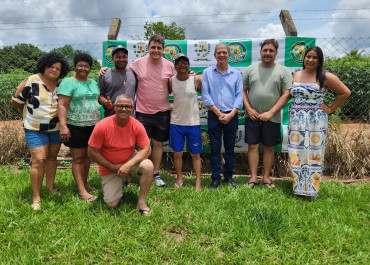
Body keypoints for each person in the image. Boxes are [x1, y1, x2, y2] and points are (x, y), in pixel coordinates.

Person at [100, 35, 175, 187]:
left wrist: (192, 75)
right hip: (141, 112)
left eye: (159, 48)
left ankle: (155, 173)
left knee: (158, 144)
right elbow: (121, 71)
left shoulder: (169, 66)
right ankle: (142, 174)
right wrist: (105, 69)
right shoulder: (137, 64)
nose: (155, 50)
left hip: (162, 111)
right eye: (153, 47)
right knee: (143, 146)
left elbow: (178, 80)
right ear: (148, 48)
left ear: (163, 50)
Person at [288, 46, 350, 198]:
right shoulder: (296, 75)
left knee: (314, 153)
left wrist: (330, 109)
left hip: (316, 120)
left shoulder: (326, 77)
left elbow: (345, 92)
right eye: (308, 56)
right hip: (296, 120)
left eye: (315, 57)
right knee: (296, 152)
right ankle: (298, 188)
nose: (310, 60)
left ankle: (312, 190)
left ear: (320, 60)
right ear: (304, 58)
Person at [11, 52, 69, 210]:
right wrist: (29, 114)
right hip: (34, 128)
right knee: (39, 160)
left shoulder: (62, 85)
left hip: (56, 128)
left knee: (52, 158)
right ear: (44, 65)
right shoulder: (32, 80)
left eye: (58, 68)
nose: (54, 70)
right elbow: (16, 101)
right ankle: (36, 196)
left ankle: (50, 188)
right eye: (51, 66)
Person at [88, 94, 153, 215]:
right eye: (120, 106)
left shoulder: (137, 125)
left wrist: (128, 165)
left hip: (129, 161)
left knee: (148, 166)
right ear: (114, 107)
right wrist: (112, 167)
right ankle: (117, 184)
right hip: (109, 167)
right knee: (112, 205)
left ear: (132, 108)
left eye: (127, 106)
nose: (124, 109)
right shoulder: (102, 126)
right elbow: (92, 152)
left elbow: (147, 150)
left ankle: (141, 202)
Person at [242, 39, 292, 189]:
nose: (268, 53)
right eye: (265, 50)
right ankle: (253, 178)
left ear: (276, 53)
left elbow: (286, 95)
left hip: (273, 117)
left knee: (269, 148)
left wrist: (270, 113)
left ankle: (266, 178)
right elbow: (243, 91)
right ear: (260, 52)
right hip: (252, 116)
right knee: (252, 146)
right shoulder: (250, 69)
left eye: (271, 51)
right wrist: (249, 110)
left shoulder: (284, 71)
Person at [57, 53, 101, 202]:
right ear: (75, 67)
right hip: (75, 125)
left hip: (93, 126)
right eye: (80, 65)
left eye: (86, 66)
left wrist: (105, 101)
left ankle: (85, 183)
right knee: (78, 158)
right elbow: (62, 105)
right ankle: (81, 191)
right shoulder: (68, 82)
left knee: (88, 157)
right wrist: (63, 126)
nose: (83, 68)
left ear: (90, 68)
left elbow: (96, 97)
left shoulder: (92, 82)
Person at [202, 43, 243, 189]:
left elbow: (239, 96)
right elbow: (205, 96)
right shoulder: (207, 73)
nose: (221, 55)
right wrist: (219, 114)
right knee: (214, 148)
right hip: (214, 115)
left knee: (230, 148)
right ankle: (215, 179)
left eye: (224, 52)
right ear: (214, 55)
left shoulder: (236, 74)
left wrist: (231, 114)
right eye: (218, 53)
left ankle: (228, 177)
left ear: (229, 55)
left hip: (231, 116)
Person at [168, 54, 203, 190]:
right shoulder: (170, 81)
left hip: (193, 123)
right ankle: (179, 178)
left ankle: (198, 181)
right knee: (177, 153)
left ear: (189, 66)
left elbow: (206, 94)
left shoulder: (196, 80)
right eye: (179, 62)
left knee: (195, 154)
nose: (182, 65)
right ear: (175, 66)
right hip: (176, 123)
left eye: (185, 62)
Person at [99, 45, 137, 118]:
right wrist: (105, 102)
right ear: (112, 58)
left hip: (130, 119)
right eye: (118, 57)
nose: (121, 59)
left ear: (127, 58)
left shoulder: (134, 73)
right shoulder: (104, 74)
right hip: (111, 118)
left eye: (124, 57)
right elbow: (100, 96)